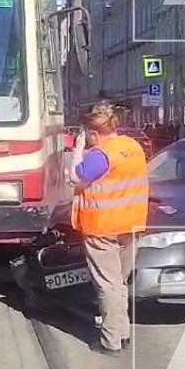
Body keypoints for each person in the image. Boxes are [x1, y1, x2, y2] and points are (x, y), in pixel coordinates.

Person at [71, 101, 150, 355]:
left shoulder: (100, 155)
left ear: (93, 134)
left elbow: (76, 177)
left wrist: (78, 149)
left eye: (88, 136)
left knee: (107, 284)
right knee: (119, 282)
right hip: (133, 224)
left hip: (103, 227)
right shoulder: (132, 146)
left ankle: (110, 341)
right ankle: (123, 333)